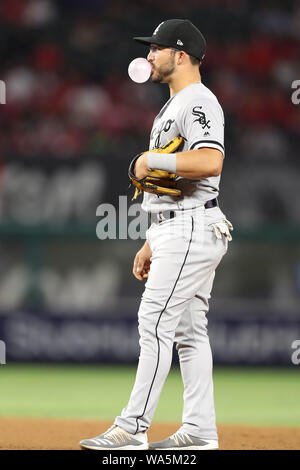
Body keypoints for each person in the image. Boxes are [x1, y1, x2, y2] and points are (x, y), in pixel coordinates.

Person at [80, 18, 233, 451]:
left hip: (191, 227)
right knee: (188, 332)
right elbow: (175, 183)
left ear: (180, 55)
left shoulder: (198, 101)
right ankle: (200, 430)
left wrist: (153, 161)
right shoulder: (173, 104)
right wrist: (152, 238)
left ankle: (132, 427)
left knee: (154, 321)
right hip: (179, 226)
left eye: (157, 48)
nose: (148, 55)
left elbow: (210, 162)